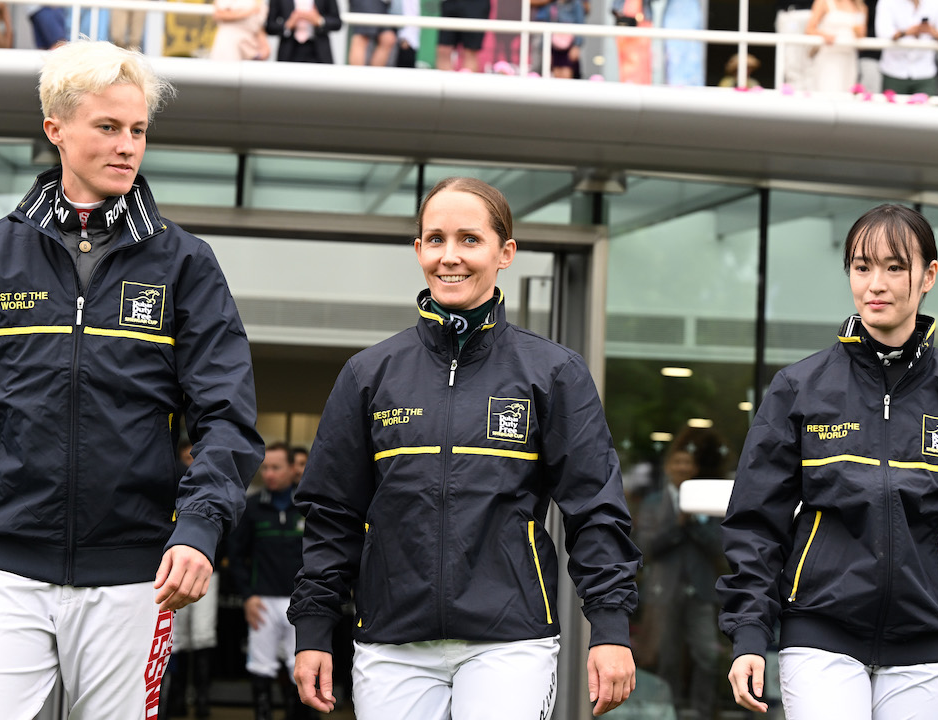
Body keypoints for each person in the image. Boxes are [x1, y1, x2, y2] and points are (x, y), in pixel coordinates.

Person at [0, 40, 265, 718]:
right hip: (1, 569)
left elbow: (228, 417)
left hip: (134, 576)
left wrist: (201, 526)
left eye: (139, 130)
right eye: (109, 127)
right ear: (55, 129)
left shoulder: (186, 264)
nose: (128, 145)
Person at [288, 177, 641, 719]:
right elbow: (332, 515)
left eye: (469, 240)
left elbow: (595, 511)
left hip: (510, 639)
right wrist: (314, 627)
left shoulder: (553, 373)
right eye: (435, 239)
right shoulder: (368, 374)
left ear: (506, 253)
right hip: (391, 642)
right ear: (418, 251)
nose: (449, 257)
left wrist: (611, 627)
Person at [717, 203, 938, 720]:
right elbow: (756, 525)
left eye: (894, 266)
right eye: (862, 267)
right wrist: (749, 633)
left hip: (925, 645)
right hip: (819, 635)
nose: (875, 284)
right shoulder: (799, 388)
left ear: (928, 275)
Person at [631, 428, 725, 718]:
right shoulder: (652, 503)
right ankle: (667, 713)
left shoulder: (708, 501)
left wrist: (693, 522)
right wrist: (677, 525)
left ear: (694, 468)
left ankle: (702, 713)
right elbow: (644, 547)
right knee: (667, 659)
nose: (683, 468)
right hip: (664, 591)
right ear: (669, 467)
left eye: (688, 463)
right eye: (677, 463)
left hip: (700, 591)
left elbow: (720, 546)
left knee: (707, 656)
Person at [228, 442, 307, 720]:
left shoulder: (307, 507)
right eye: (265, 468)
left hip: (301, 604)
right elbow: (235, 557)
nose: (269, 474)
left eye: (276, 467)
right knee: (261, 666)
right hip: (261, 602)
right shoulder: (251, 508)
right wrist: (248, 595)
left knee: (299, 668)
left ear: (292, 470)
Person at [163, 440, 223, 720]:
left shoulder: (216, 484)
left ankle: (201, 700)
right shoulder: (169, 480)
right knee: (175, 640)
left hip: (207, 570)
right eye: (186, 455)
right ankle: (173, 700)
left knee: (202, 637)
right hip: (168, 570)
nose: (191, 461)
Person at [874, 0, 938, 95]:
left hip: (925, 72)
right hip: (893, 71)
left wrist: (930, 31)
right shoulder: (887, 2)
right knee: (892, 108)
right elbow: (883, 32)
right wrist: (907, 32)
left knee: (925, 108)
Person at [805, 0, 867, 93]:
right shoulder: (824, 2)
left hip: (849, 59)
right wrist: (824, 35)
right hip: (829, 57)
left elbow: (861, 36)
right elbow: (809, 29)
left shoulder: (860, 6)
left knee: (846, 93)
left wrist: (858, 32)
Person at [265, 0, 340, 63]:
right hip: (289, 51)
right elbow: (270, 26)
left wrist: (319, 21)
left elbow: (337, 22)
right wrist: (287, 25)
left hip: (318, 51)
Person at [435, 0, 488, 71]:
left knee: (470, 51)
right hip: (450, 3)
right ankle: (445, 81)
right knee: (443, 49)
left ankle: (466, 81)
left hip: (476, 4)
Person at [346, 0, 395, 66]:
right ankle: (357, 74)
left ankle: (373, 74)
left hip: (381, 3)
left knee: (388, 38)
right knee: (362, 36)